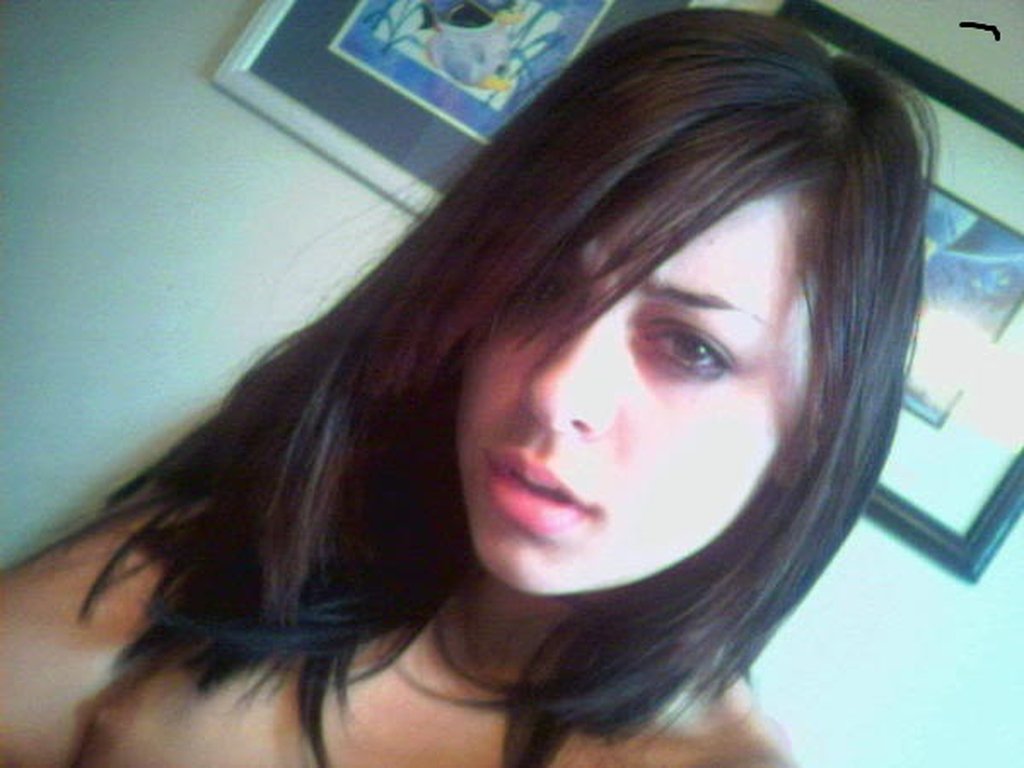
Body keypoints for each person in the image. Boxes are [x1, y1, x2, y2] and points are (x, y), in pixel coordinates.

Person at [0, 8, 933, 767]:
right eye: (540, 283)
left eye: (691, 349)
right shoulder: (272, 531)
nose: (557, 390)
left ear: (813, 431)